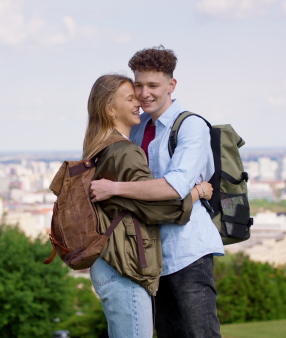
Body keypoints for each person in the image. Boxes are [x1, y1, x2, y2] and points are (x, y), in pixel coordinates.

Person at [90, 46, 224, 337]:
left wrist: (114, 189)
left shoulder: (190, 127)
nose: (144, 93)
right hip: (153, 254)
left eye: (153, 85)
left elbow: (175, 187)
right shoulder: (138, 130)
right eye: (138, 85)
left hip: (188, 250)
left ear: (171, 85)